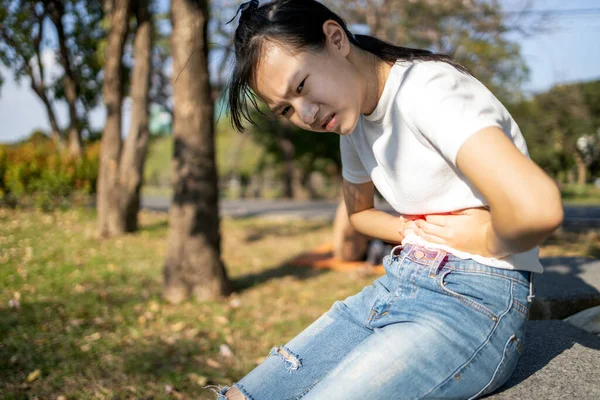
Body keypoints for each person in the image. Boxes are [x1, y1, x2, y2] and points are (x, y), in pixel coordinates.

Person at [216, 0, 564, 399]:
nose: (306, 115)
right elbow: (359, 213)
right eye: (286, 109)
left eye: (301, 86)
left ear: (335, 38)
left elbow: (538, 207)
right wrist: (408, 228)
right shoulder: (350, 119)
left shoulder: (427, 90)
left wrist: (486, 238)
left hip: (472, 302)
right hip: (399, 285)